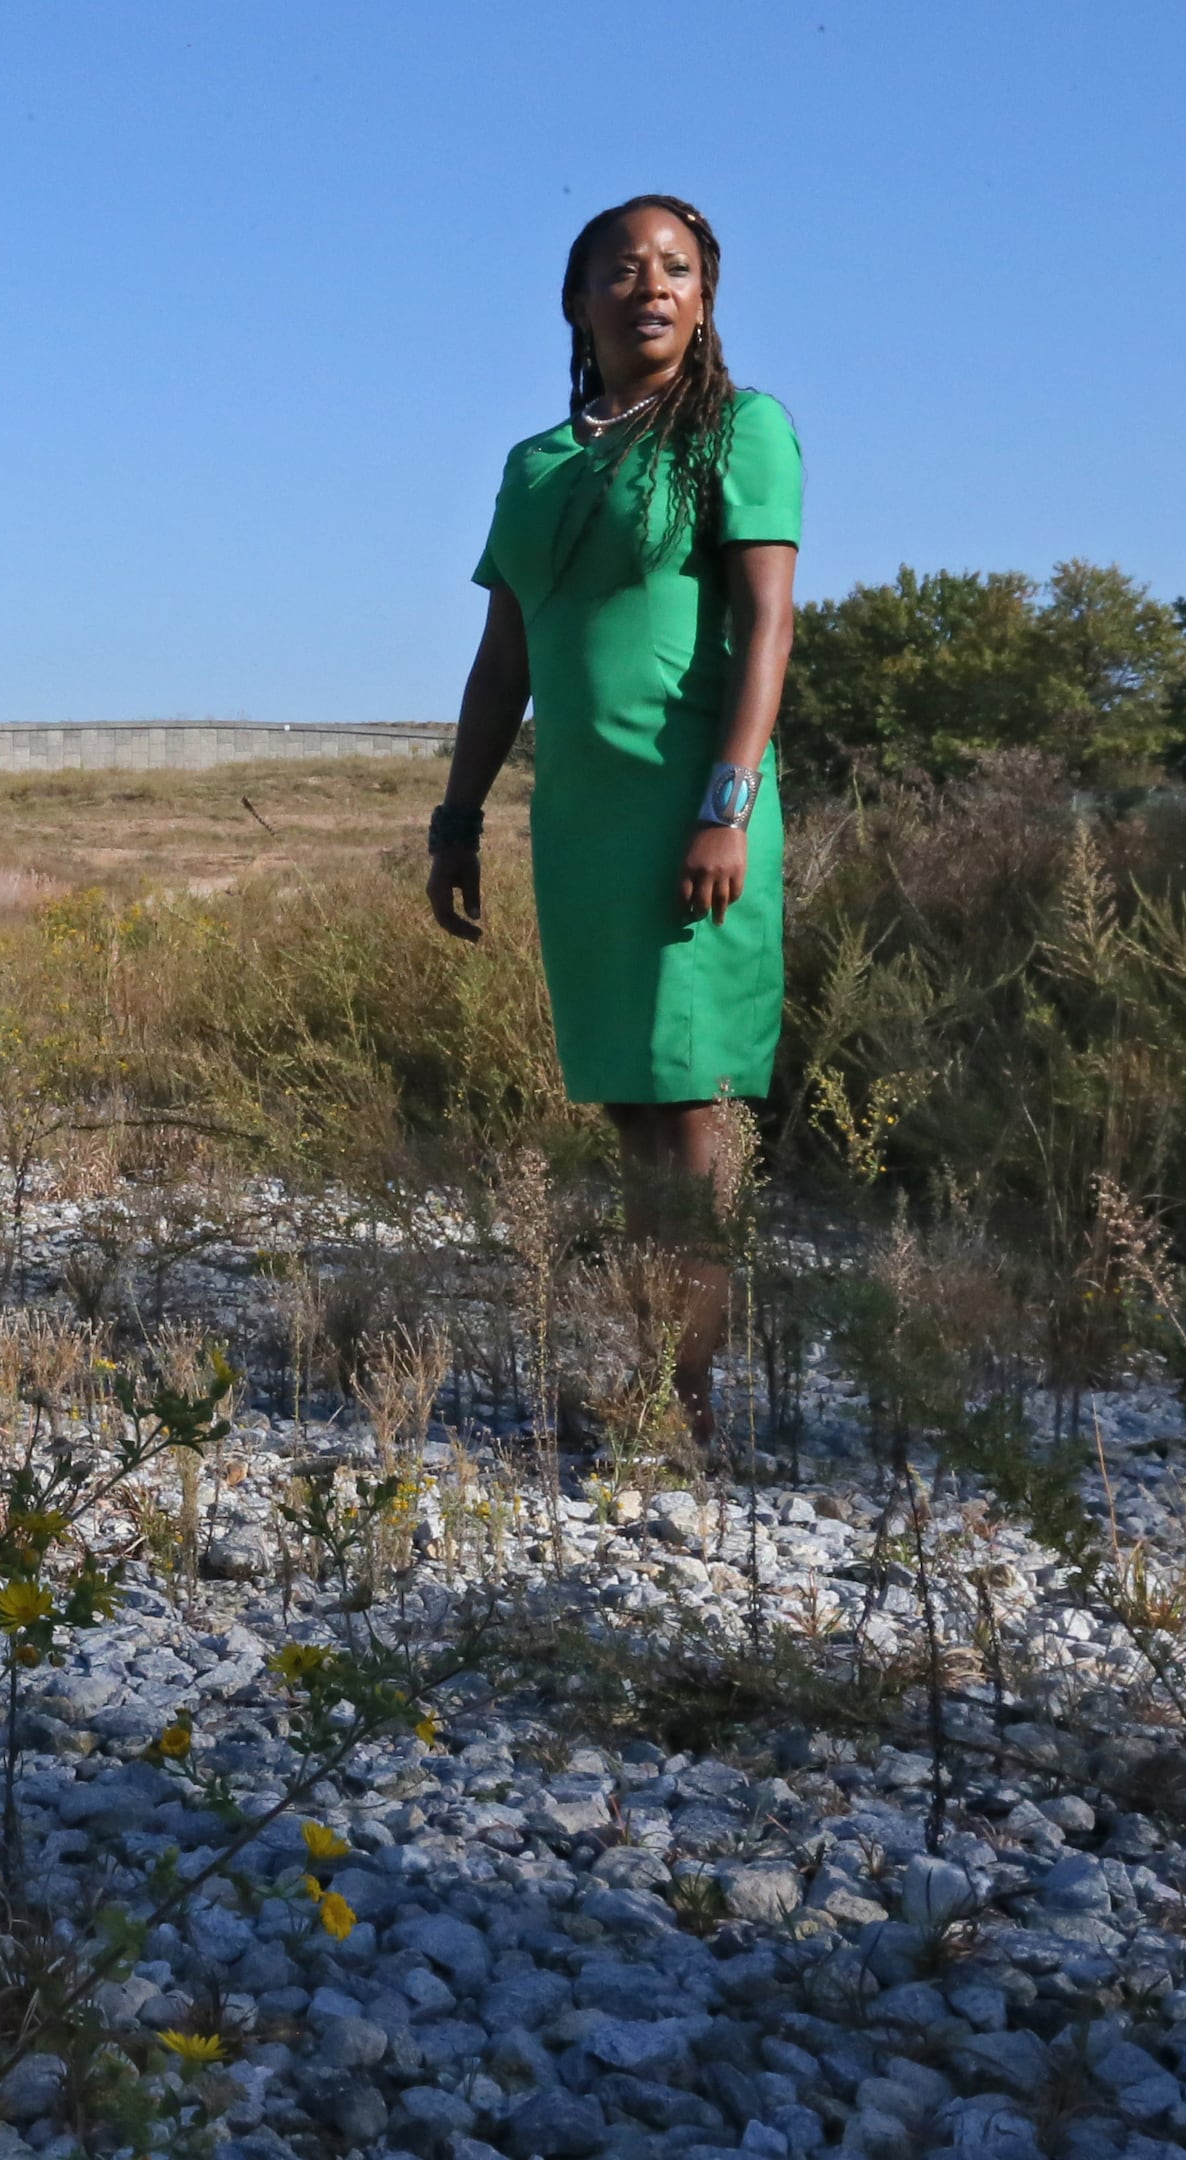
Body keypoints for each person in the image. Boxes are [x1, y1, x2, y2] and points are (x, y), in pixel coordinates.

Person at [424, 193, 802, 1442]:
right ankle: (656, 1387)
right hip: (582, 827)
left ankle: (678, 1415)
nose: (653, 286)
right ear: (576, 300)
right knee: (635, 1112)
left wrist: (726, 804)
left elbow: (766, 630)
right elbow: (502, 664)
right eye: (625, 269)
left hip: (691, 814)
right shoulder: (536, 464)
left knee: (686, 1111)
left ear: (706, 298)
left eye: (679, 269)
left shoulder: (741, 433)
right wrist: (456, 819)